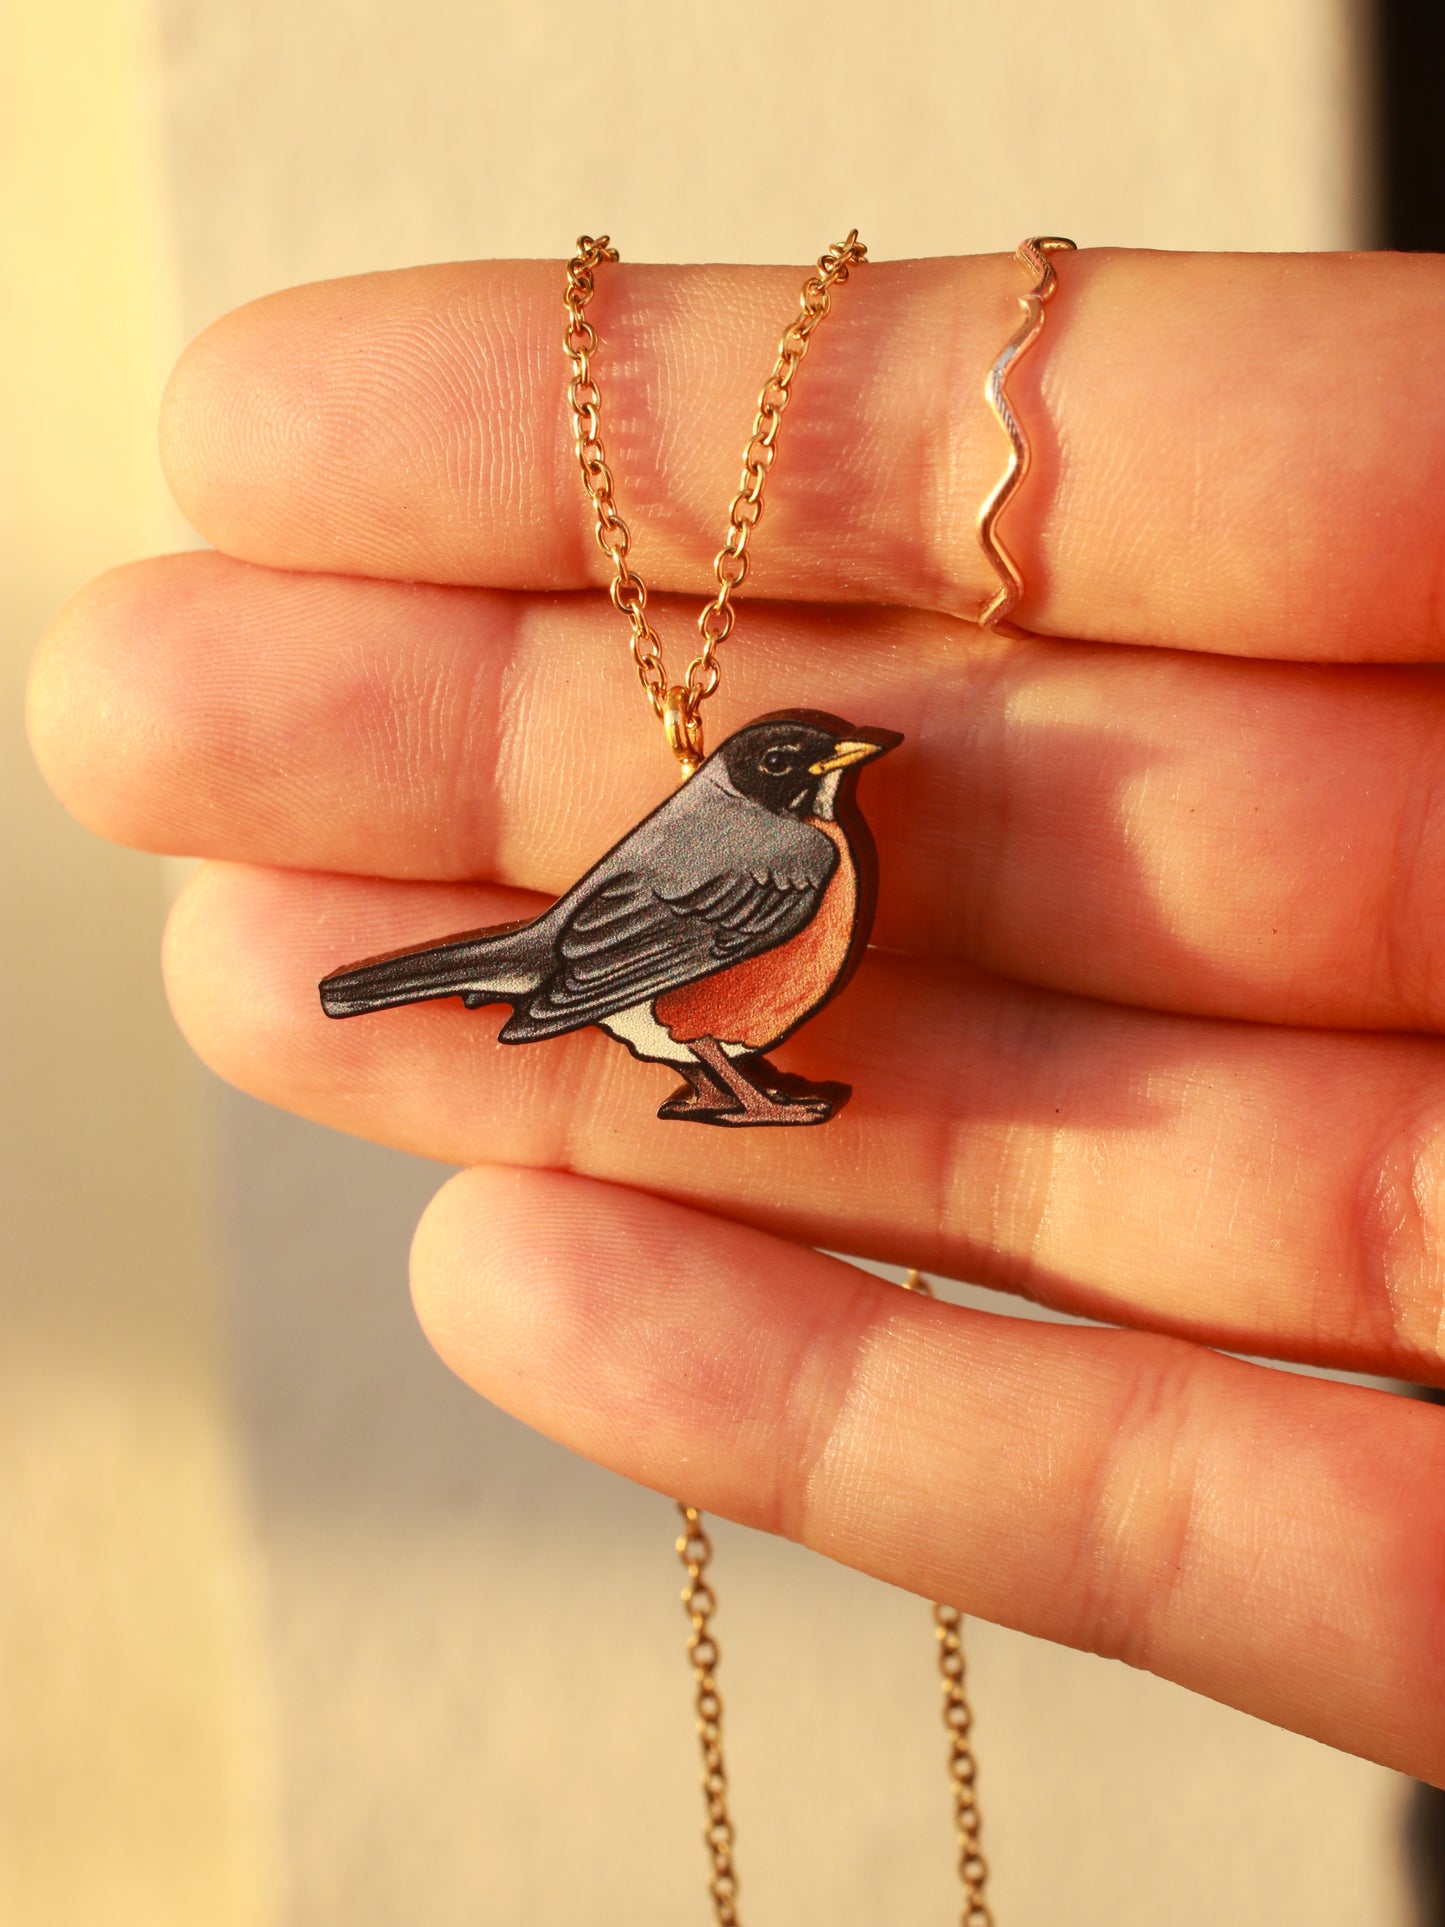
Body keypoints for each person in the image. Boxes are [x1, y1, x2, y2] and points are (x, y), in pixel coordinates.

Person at [26, 247, 1445, 1788]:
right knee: (587, 1022)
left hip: (620, 973)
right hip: (636, 983)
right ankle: (681, 1062)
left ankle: (690, 1064)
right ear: (768, 786)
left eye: (829, 763)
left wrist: (585, 990)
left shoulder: (772, 826)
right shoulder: (778, 855)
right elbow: (640, 950)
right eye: (812, 763)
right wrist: (576, 995)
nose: (835, 774)